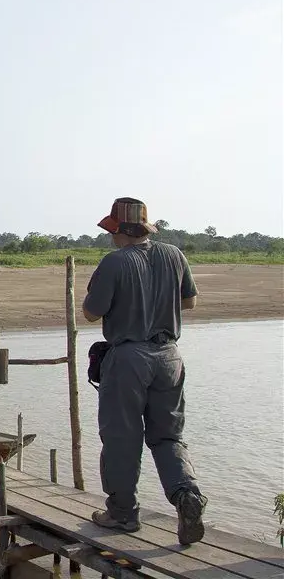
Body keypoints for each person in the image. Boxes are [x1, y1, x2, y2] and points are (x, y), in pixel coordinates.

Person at [83, 197, 207, 545]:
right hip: (170, 356)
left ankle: (122, 514)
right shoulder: (174, 255)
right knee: (168, 436)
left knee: (122, 437)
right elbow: (189, 302)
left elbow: (91, 313)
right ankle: (187, 495)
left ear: (121, 230)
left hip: (128, 358)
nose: (110, 237)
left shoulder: (114, 263)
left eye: (112, 231)